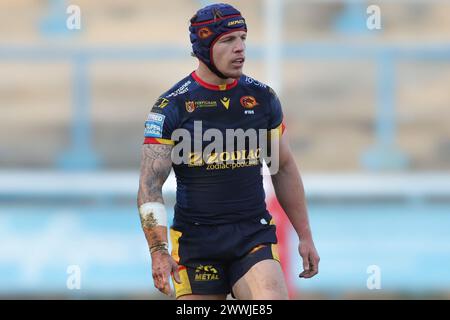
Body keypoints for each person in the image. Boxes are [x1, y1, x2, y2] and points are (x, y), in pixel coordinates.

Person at [137, 3, 319, 300]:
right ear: (204, 47)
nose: (240, 48)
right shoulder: (171, 107)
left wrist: (305, 235)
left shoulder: (262, 98)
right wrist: (158, 251)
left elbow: (282, 167)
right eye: (228, 40)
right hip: (196, 244)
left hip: (252, 236)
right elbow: (150, 185)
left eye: (243, 38)